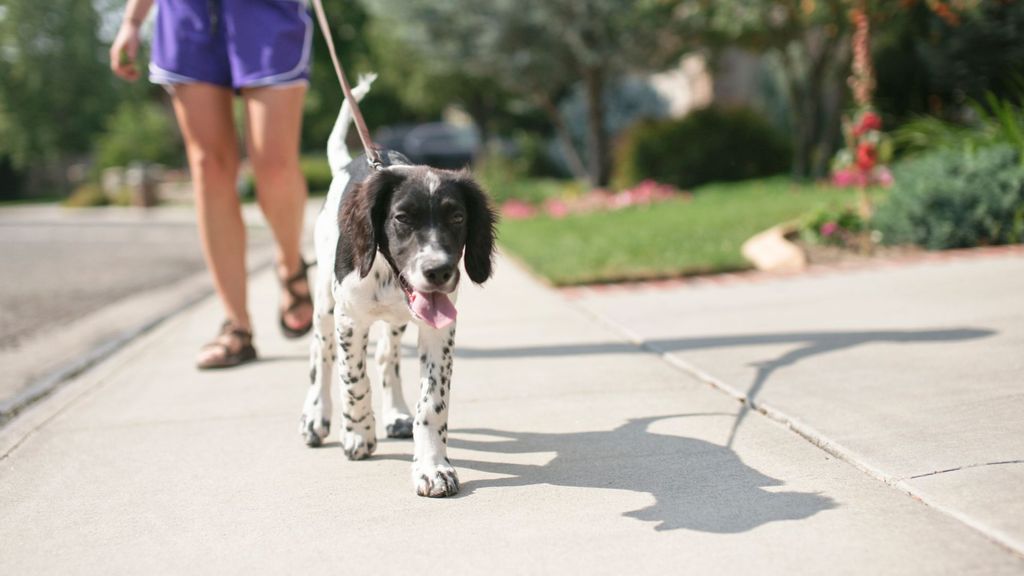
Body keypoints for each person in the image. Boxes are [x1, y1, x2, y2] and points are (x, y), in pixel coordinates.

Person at [110, 0, 315, 369]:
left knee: (274, 165)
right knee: (208, 167)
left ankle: (289, 264)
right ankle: (236, 324)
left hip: (264, 11)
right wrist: (132, 20)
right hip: (187, 14)